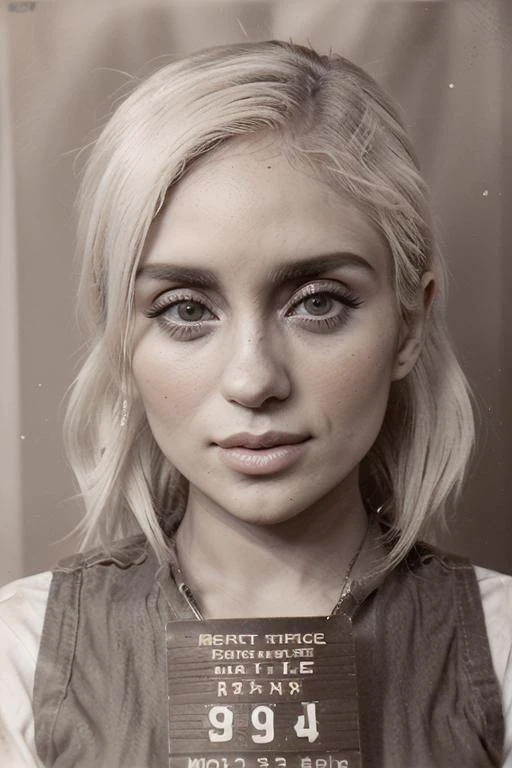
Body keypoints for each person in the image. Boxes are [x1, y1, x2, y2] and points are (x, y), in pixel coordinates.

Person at [0, 40, 511, 768]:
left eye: (318, 302)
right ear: (119, 337)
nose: (253, 379)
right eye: (184, 308)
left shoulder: (501, 651)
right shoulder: (18, 661)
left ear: (410, 323)